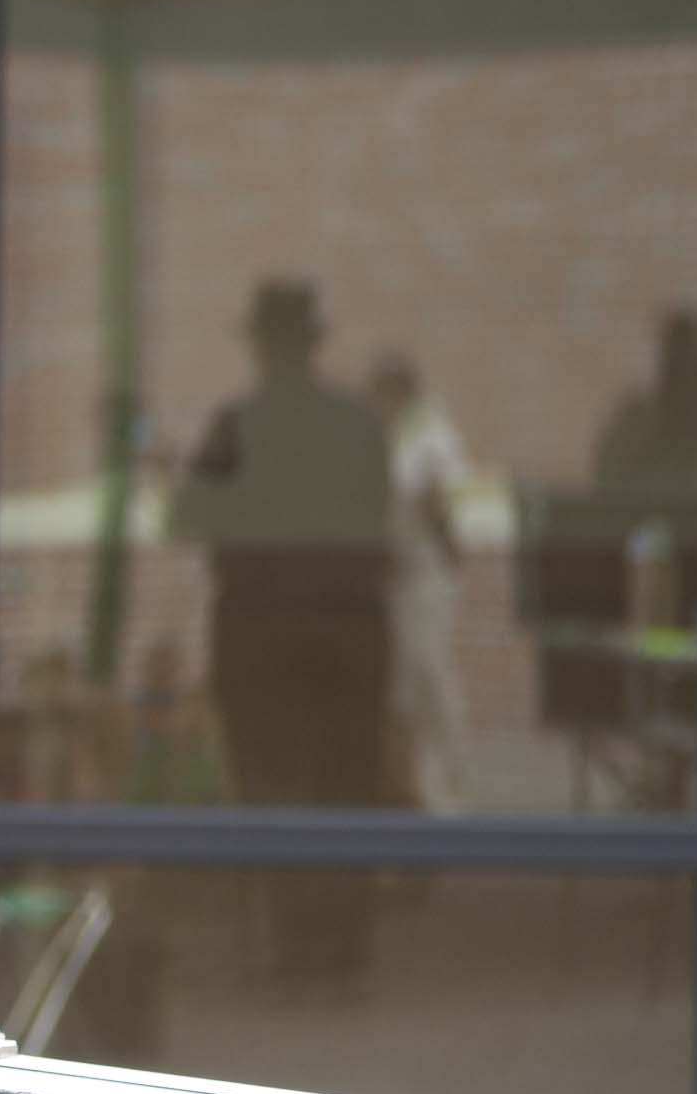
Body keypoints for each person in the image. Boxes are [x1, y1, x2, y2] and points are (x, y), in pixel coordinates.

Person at [170, 277, 393, 973]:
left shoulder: (239, 426)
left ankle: (302, 952)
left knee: (278, 787)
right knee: (345, 784)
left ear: (263, 347)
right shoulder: (356, 424)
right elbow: (380, 519)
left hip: (262, 627)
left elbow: (187, 519)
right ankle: (339, 954)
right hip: (346, 626)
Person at [366, 351, 475, 816]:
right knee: (401, 685)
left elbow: (439, 506)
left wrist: (446, 553)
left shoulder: (430, 438)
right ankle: (409, 785)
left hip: (424, 574)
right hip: (393, 576)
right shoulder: (388, 437)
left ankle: (452, 782)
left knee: (430, 673)